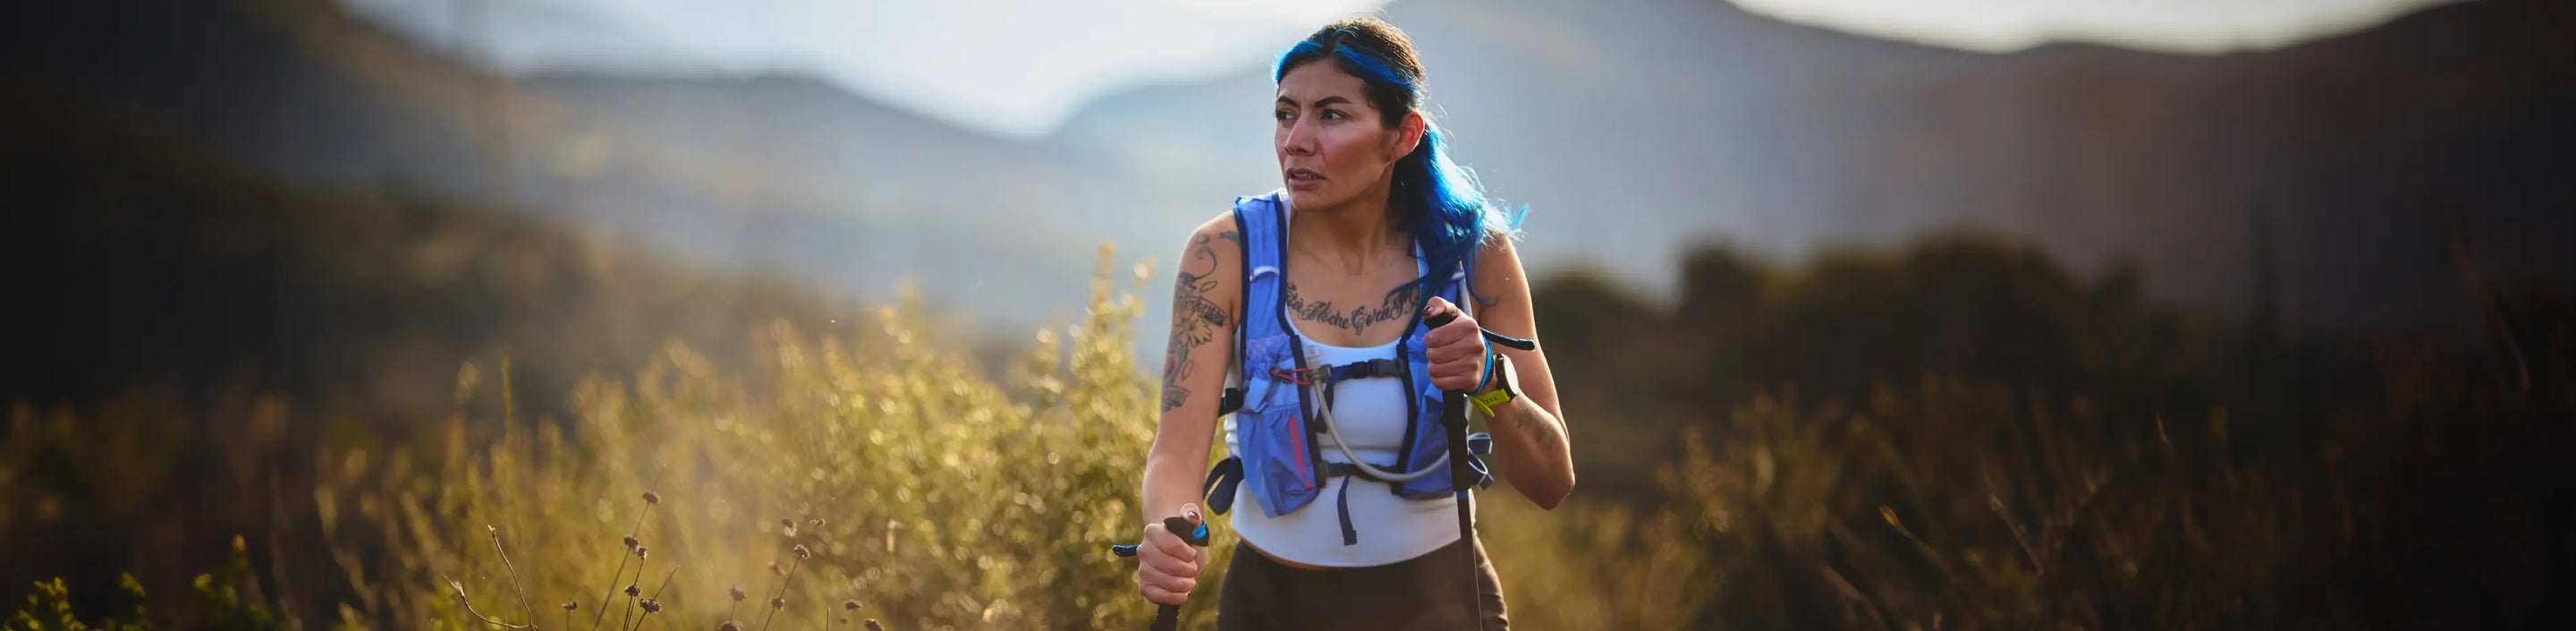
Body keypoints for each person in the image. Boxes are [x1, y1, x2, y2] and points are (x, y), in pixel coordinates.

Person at [1133, 16, 1575, 630]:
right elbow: (1176, 452)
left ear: (1403, 135)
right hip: (1271, 603)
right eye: (1286, 114)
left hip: (1441, 603)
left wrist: (1491, 383)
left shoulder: (1474, 254)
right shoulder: (1225, 253)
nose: (1296, 140)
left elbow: (1552, 480)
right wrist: (1171, 528)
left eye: (1331, 115)